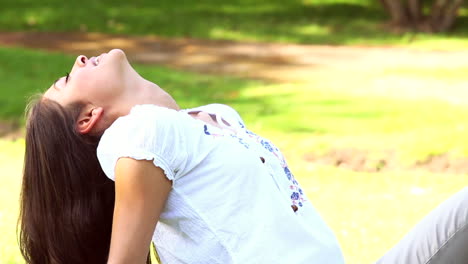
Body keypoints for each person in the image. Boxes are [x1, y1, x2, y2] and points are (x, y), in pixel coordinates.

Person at [19, 49, 467, 264]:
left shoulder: (213, 117)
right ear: (88, 119)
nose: (78, 58)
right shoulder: (140, 135)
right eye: (67, 77)